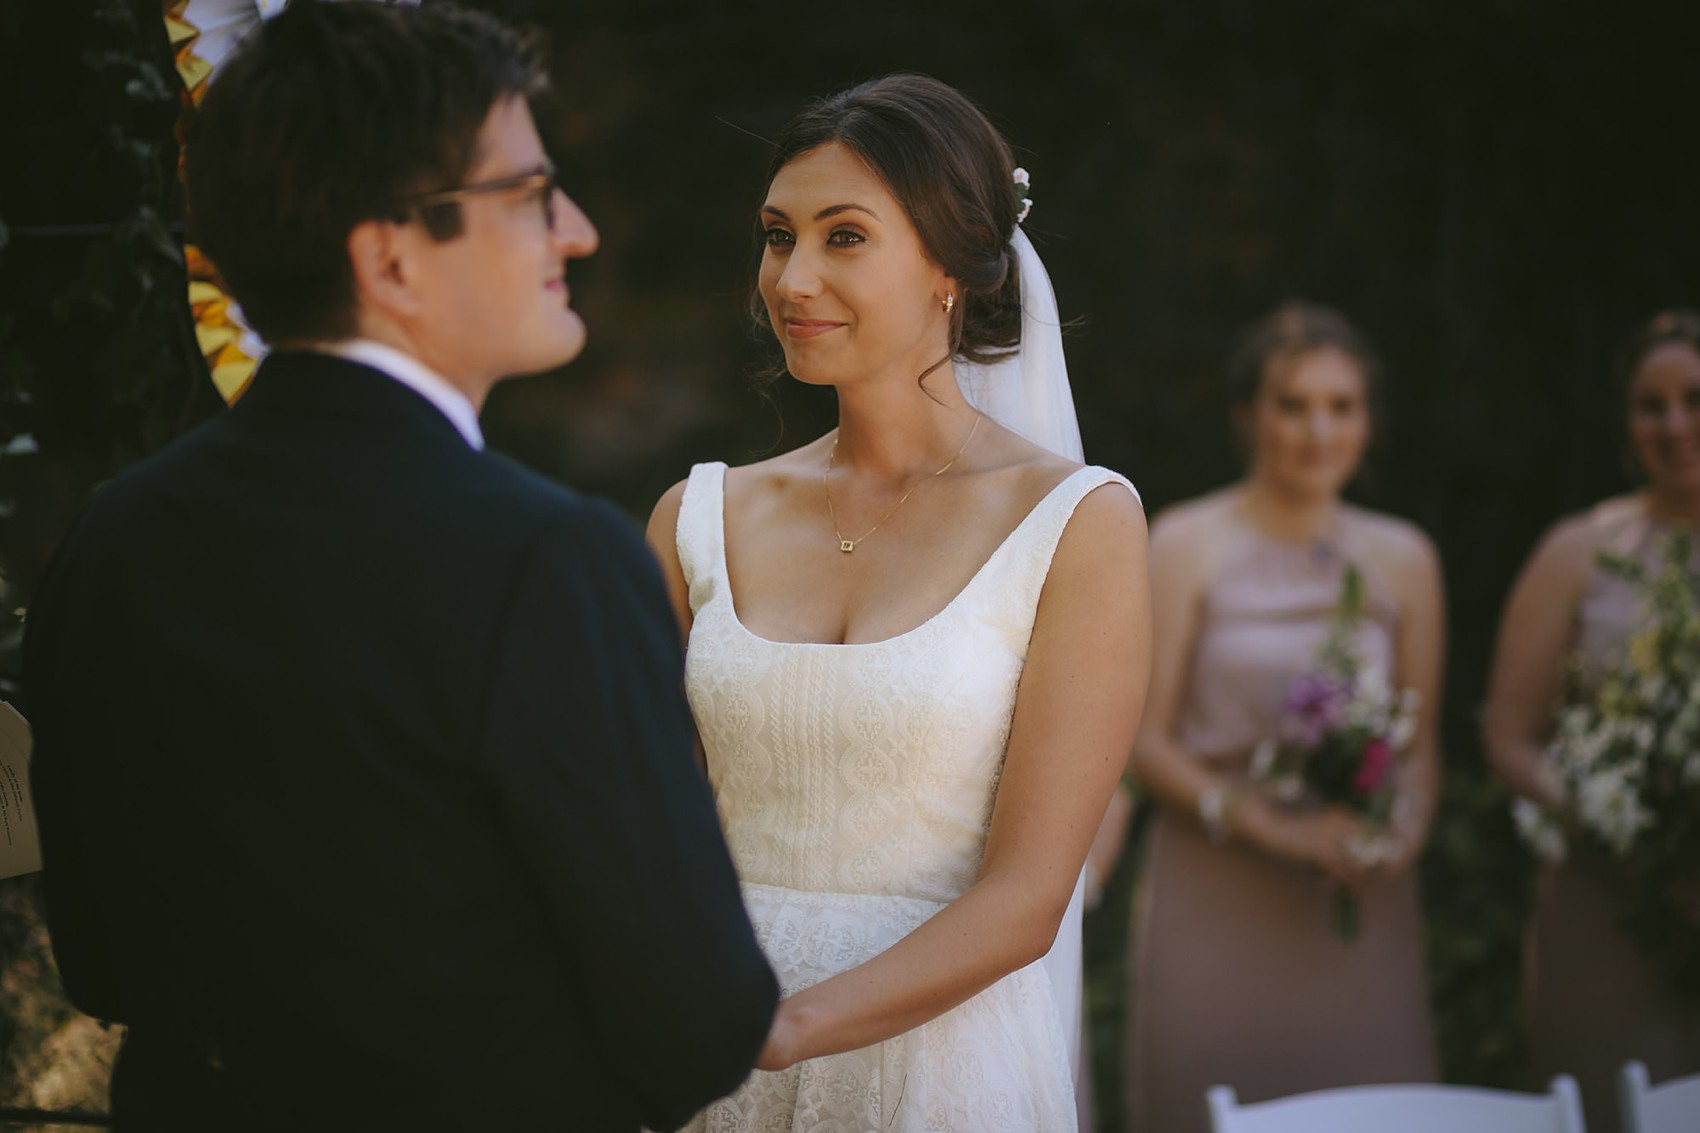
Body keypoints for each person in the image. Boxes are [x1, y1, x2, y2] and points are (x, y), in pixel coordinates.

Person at [23, 3, 777, 1130]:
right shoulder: (548, 561)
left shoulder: (112, 535)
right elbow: (701, 1022)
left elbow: (102, 961)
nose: (574, 229)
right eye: (526, 194)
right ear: (389, 256)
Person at [645, 74, 1149, 1131]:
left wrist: (781, 1026)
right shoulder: (694, 518)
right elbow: (648, 827)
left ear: (949, 269)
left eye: (843, 237)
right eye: (778, 236)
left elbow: (1025, 897)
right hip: (706, 1065)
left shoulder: (1074, 524)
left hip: (937, 1068)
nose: (792, 277)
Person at [1124, 303, 1442, 1132]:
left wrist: (1400, 834)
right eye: (1292, 403)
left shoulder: (1405, 558)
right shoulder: (1184, 541)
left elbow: (1423, 741)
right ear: (1248, 416)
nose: (1317, 429)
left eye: (1342, 405)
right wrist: (1267, 825)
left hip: (1354, 906)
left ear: (1369, 420)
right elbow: (1144, 739)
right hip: (1217, 888)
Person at [1483, 309, 1700, 1133]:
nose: (1674, 423)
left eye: (1694, 397)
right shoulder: (1578, 550)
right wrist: (1625, 830)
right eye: (1652, 404)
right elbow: (1509, 737)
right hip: (1606, 907)